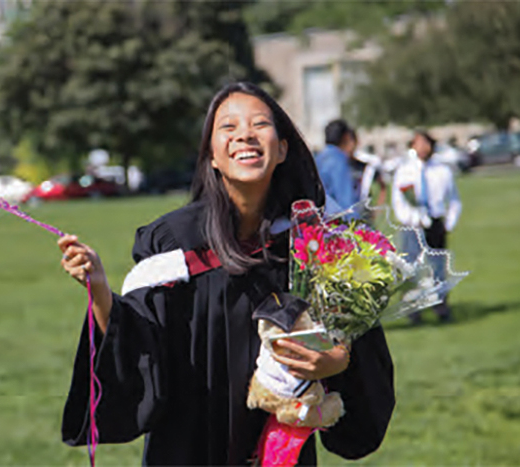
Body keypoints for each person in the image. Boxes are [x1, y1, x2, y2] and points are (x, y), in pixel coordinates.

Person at [58, 82, 395, 465]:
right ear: (212, 156)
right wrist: (100, 290)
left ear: (283, 148)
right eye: (228, 127)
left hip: (280, 452)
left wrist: (338, 361)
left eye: (259, 124)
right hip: (189, 448)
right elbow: (139, 344)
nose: (245, 135)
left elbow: (359, 344)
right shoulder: (173, 242)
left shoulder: (315, 245)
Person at [392, 130, 462, 324]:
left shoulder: (442, 171)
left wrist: (449, 222)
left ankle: (441, 307)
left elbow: (454, 200)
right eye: (418, 143)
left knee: (438, 266)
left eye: (426, 143)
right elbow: (399, 202)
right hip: (413, 226)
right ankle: (413, 310)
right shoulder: (405, 170)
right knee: (412, 268)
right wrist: (413, 218)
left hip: (436, 223)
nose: (423, 148)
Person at [315, 119, 359, 211]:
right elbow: (346, 202)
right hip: (334, 221)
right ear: (346, 137)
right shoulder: (338, 160)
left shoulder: (318, 159)